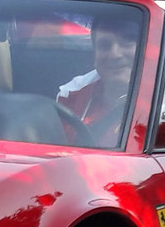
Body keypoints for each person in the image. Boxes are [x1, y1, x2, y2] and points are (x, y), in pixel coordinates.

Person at [54, 13, 143, 145]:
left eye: (127, 43)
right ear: (94, 56)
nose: (115, 54)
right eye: (104, 45)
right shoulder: (72, 95)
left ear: (146, 49)